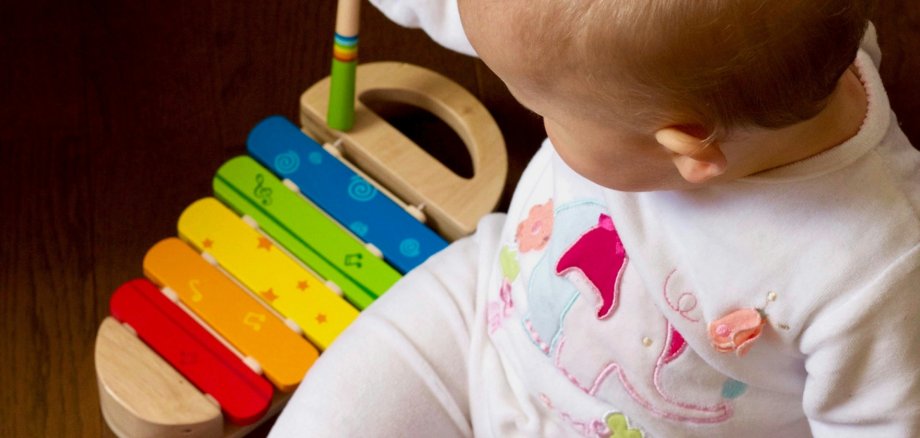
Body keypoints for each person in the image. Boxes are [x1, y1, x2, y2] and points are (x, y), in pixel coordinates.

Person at [271, 0, 920, 436]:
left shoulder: (875, 271)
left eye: (548, 110)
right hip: (485, 324)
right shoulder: (783, 54)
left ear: (687, 150)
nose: (543, 121)